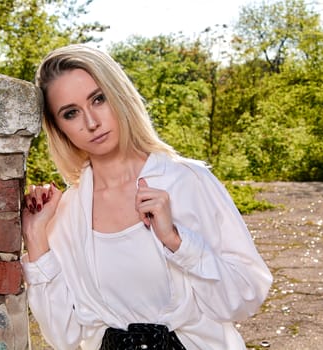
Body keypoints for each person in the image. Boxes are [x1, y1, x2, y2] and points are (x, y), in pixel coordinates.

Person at [21, 44, 273, 350]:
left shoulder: (189, 181)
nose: (91, 122)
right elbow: (64, 336)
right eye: (71, 113)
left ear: (119, 94)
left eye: (98, 99)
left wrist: (178, 242)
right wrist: (35, 238)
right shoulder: (66, 215)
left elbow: (245, 299)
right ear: (59, 129)